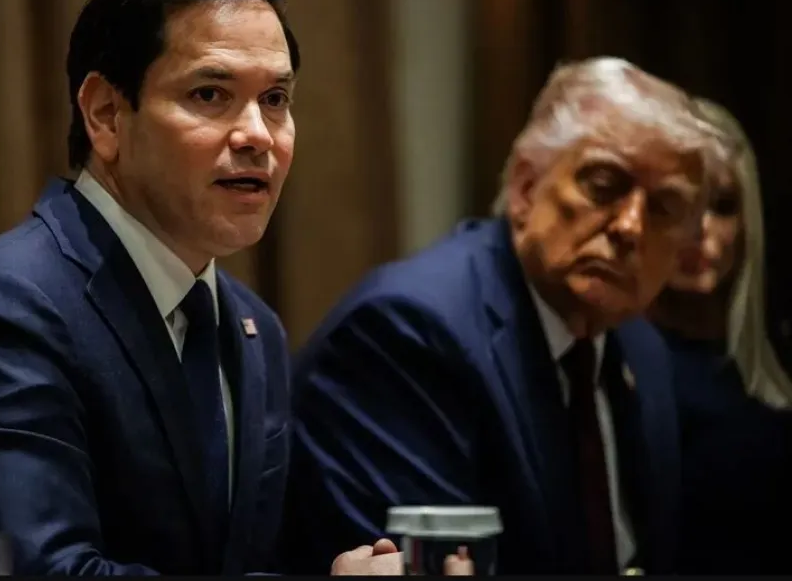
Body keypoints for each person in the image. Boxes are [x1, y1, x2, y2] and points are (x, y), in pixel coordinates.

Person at [0, 0, 370, 576]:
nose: (259, 134)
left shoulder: (253, 327)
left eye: (276, 98)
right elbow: (44, 572)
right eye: (211, 93)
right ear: (105, 114)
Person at [282, 57, 723, 574]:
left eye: (665, 207)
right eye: (604, 184)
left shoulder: (640, 347)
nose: (629, 226)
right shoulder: (406, 333)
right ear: (525, 188)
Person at [647, 97, 792, 574]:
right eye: (677, 204)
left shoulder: (771, 361)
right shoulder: (613, 369)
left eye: (723, 206)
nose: (699, 231)